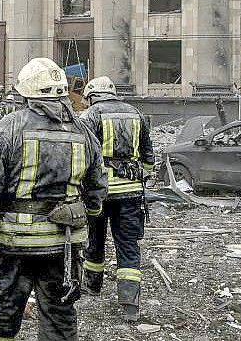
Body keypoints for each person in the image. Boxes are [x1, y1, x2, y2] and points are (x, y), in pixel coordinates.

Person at [0, 58, 107, 341]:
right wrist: (84, 217)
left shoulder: (6, 129)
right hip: (63, 244)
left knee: (4, 311)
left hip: (14, 243)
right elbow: (97, 191)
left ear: (25, 92)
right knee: (59, 315)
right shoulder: (84, 133)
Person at [78, 76, 155, 322]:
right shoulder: (137, 114)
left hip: (99, 193)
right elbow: (149, 157)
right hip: (131, 194)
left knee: (95, 240)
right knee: (128, 247)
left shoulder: (90, 115)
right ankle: (130, 305)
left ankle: (92, 285)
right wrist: (140, 176)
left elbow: (83, 153)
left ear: (92, 96)